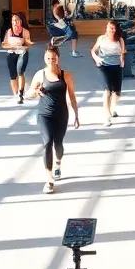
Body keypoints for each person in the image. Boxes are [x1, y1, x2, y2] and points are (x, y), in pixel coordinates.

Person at [27, 45, 80, 194]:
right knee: (48, 142)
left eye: (53, 58)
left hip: (61, 114)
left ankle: (58, 163)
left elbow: (72, 96)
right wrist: (35, 91)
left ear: (58, 59)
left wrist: (76, 115)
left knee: (58, 145)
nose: (51, 61)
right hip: (44, 114)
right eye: (48, 58)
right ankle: (49, 180)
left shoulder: (66, 75)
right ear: (45, 58)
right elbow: (28, 94)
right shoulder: (40, 74)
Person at [91, 19, 126, 126]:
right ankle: (107, 116)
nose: (110, 30)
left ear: (116, 29)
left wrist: (122, 61)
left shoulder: (120, 40)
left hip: (116, 67)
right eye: (108, 27)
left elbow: (122, 52)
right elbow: (93, 50)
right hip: (103, 66)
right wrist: (96, 58)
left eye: (112, 28)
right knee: (107, 91)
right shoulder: (101, 38)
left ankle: (112, 108)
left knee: (117, 93)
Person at [3, 12, 33, 103]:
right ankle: (16, 94)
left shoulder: (25, 32)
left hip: (22, 53)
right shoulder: (9, 32)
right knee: (13, 75)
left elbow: (28, 45)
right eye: (13, 20)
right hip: (11, 53)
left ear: (21, 21)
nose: (14, 22)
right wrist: (11, 46)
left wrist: (21, 45)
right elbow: (4, 44)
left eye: (16, 20)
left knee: (20, 72)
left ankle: (21, 94)